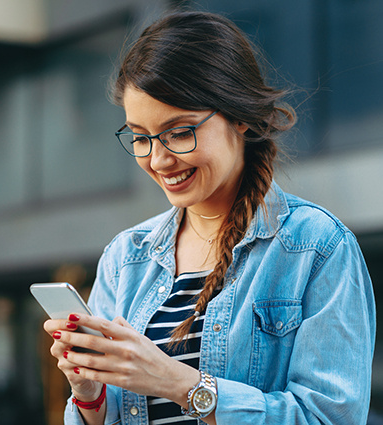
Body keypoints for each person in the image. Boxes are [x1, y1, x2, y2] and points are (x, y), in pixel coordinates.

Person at [44, 10, 376, 425]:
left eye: (180, 132)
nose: (159, 159)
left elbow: (331, 418)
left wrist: (181, 384)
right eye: (141, 138)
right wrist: (90, 394)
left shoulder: (316, 247)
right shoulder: (126, 258)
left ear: (238, 115)